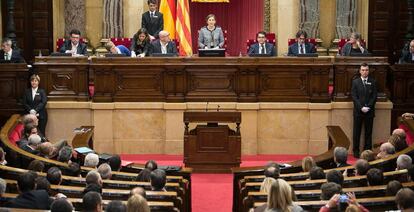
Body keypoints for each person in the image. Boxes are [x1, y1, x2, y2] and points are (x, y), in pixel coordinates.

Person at [351, 63, 377, 158]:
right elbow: (354, 96)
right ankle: (356, 151)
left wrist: (368, 107)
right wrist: (361, 107)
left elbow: (374, 96)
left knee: (368, 133)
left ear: (368, 71)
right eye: (363, 70)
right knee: (356, 132)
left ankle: (367, 152)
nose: (364, 72)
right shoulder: (355, 82)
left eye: (366, 70)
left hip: (369, 112)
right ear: (360, 71)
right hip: (358, 112)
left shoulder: (373, 82)